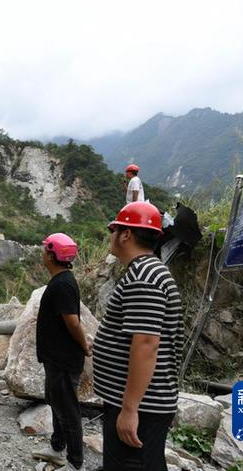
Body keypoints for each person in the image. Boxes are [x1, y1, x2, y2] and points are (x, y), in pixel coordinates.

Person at [92, 202, 184, 471]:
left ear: (126, 234)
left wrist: (130, 409)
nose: (111, 236)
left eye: (113, 230)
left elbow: (146, 344)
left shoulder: (144, 277)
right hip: (138, 402)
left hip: (142, 407)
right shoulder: (146, 271)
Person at [32, 233, 91, 471]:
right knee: (57, 404)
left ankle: (75, 463)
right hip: (55, 358)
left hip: (63, 360)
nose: (43, 254)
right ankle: (57, 448)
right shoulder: (61, 281)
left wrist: (84, 345)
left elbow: (73, 322)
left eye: (45, 250)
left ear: (52, 255)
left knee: (68, 411)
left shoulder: (62, 284)